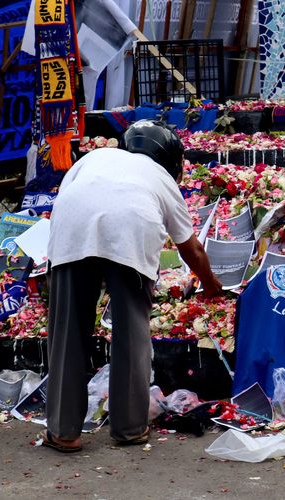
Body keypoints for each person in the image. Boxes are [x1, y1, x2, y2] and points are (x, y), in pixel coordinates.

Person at [43, 120, 223, 452]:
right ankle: (129, 428)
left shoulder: (94, 158)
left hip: (72, 231)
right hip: (130, 232)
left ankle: (64, 432)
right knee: (131, 333)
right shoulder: (160, 177)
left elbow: (66, 199)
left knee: (68, 334)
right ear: (170, 159)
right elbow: (192, 249)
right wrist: (211, 284)